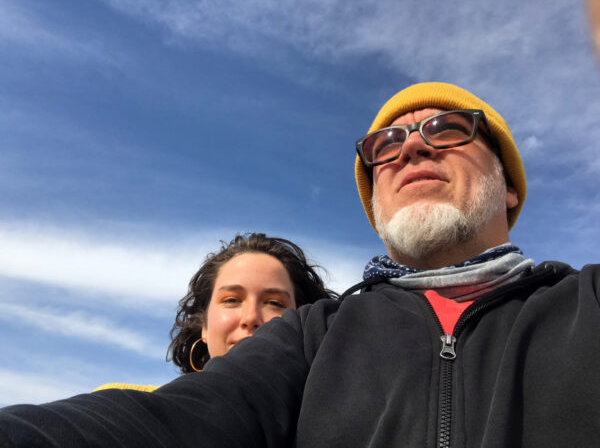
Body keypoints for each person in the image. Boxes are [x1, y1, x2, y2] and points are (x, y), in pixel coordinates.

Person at [1, 82, 599, 447]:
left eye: (447, 129)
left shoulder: (587, 308)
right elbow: (173, 420)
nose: (412, 146)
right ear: (375, 205)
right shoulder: (312, 341)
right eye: (384, 146)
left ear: (510, 184)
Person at [93, 232, 336, 392]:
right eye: (231, 300)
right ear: (205, 327)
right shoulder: (133, 413)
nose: (251, 317)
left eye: (275, 303)